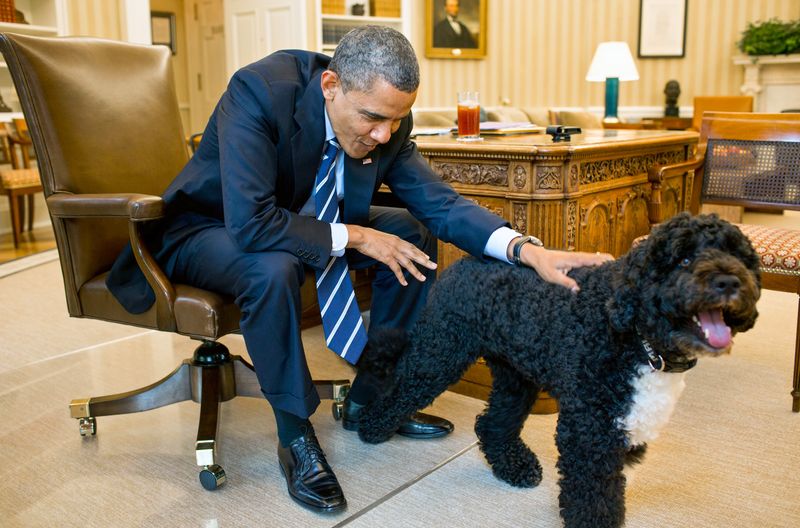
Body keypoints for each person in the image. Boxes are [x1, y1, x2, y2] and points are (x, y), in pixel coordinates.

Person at [107, 25, 611, 513]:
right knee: (274, 266)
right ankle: (296, 438)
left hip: (302, 220)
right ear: (331, 85)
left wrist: (526, 250)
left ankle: (375, 397)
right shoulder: (259, 91)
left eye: (395, 120)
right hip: (207, 228)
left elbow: (441, 204)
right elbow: (252, 223)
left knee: (411, 230)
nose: (383, 134)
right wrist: (361, 236)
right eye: (372, 117)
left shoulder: (388, 122)